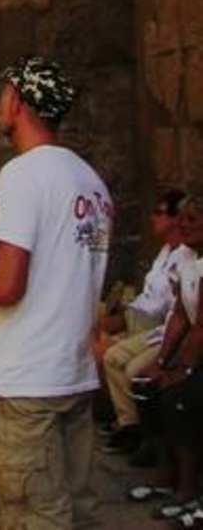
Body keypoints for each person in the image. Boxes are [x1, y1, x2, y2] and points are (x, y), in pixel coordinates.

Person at [0, 56, 113, 530]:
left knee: (34, 515)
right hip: (72, 373)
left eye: (3, 94)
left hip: (25, 380)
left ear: (17, 100)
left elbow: (7, 284)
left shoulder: (22, 175)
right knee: (76, 511)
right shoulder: (91, 181)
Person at [93, 188, 188, 453]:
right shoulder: (165, 251)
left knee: (121, 359)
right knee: (100, 334)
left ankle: (139, 430)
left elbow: (170, 310)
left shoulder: (187, 258)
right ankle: (127, 424)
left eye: (159, 213)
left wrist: (126, 316)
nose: (152, 218)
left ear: (176, 218)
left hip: (157, 324)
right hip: (148, 318)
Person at [134, 193, 203, 524]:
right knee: (149, 387)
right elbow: (179, 315)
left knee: (182, 397)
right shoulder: (186, 259)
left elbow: (201, 325)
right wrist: (161, 362)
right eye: (183, 218)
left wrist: (184, 369)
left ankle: (188, 489)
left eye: (193, 220)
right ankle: (165, 475)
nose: (184, 226)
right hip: (194, 343)